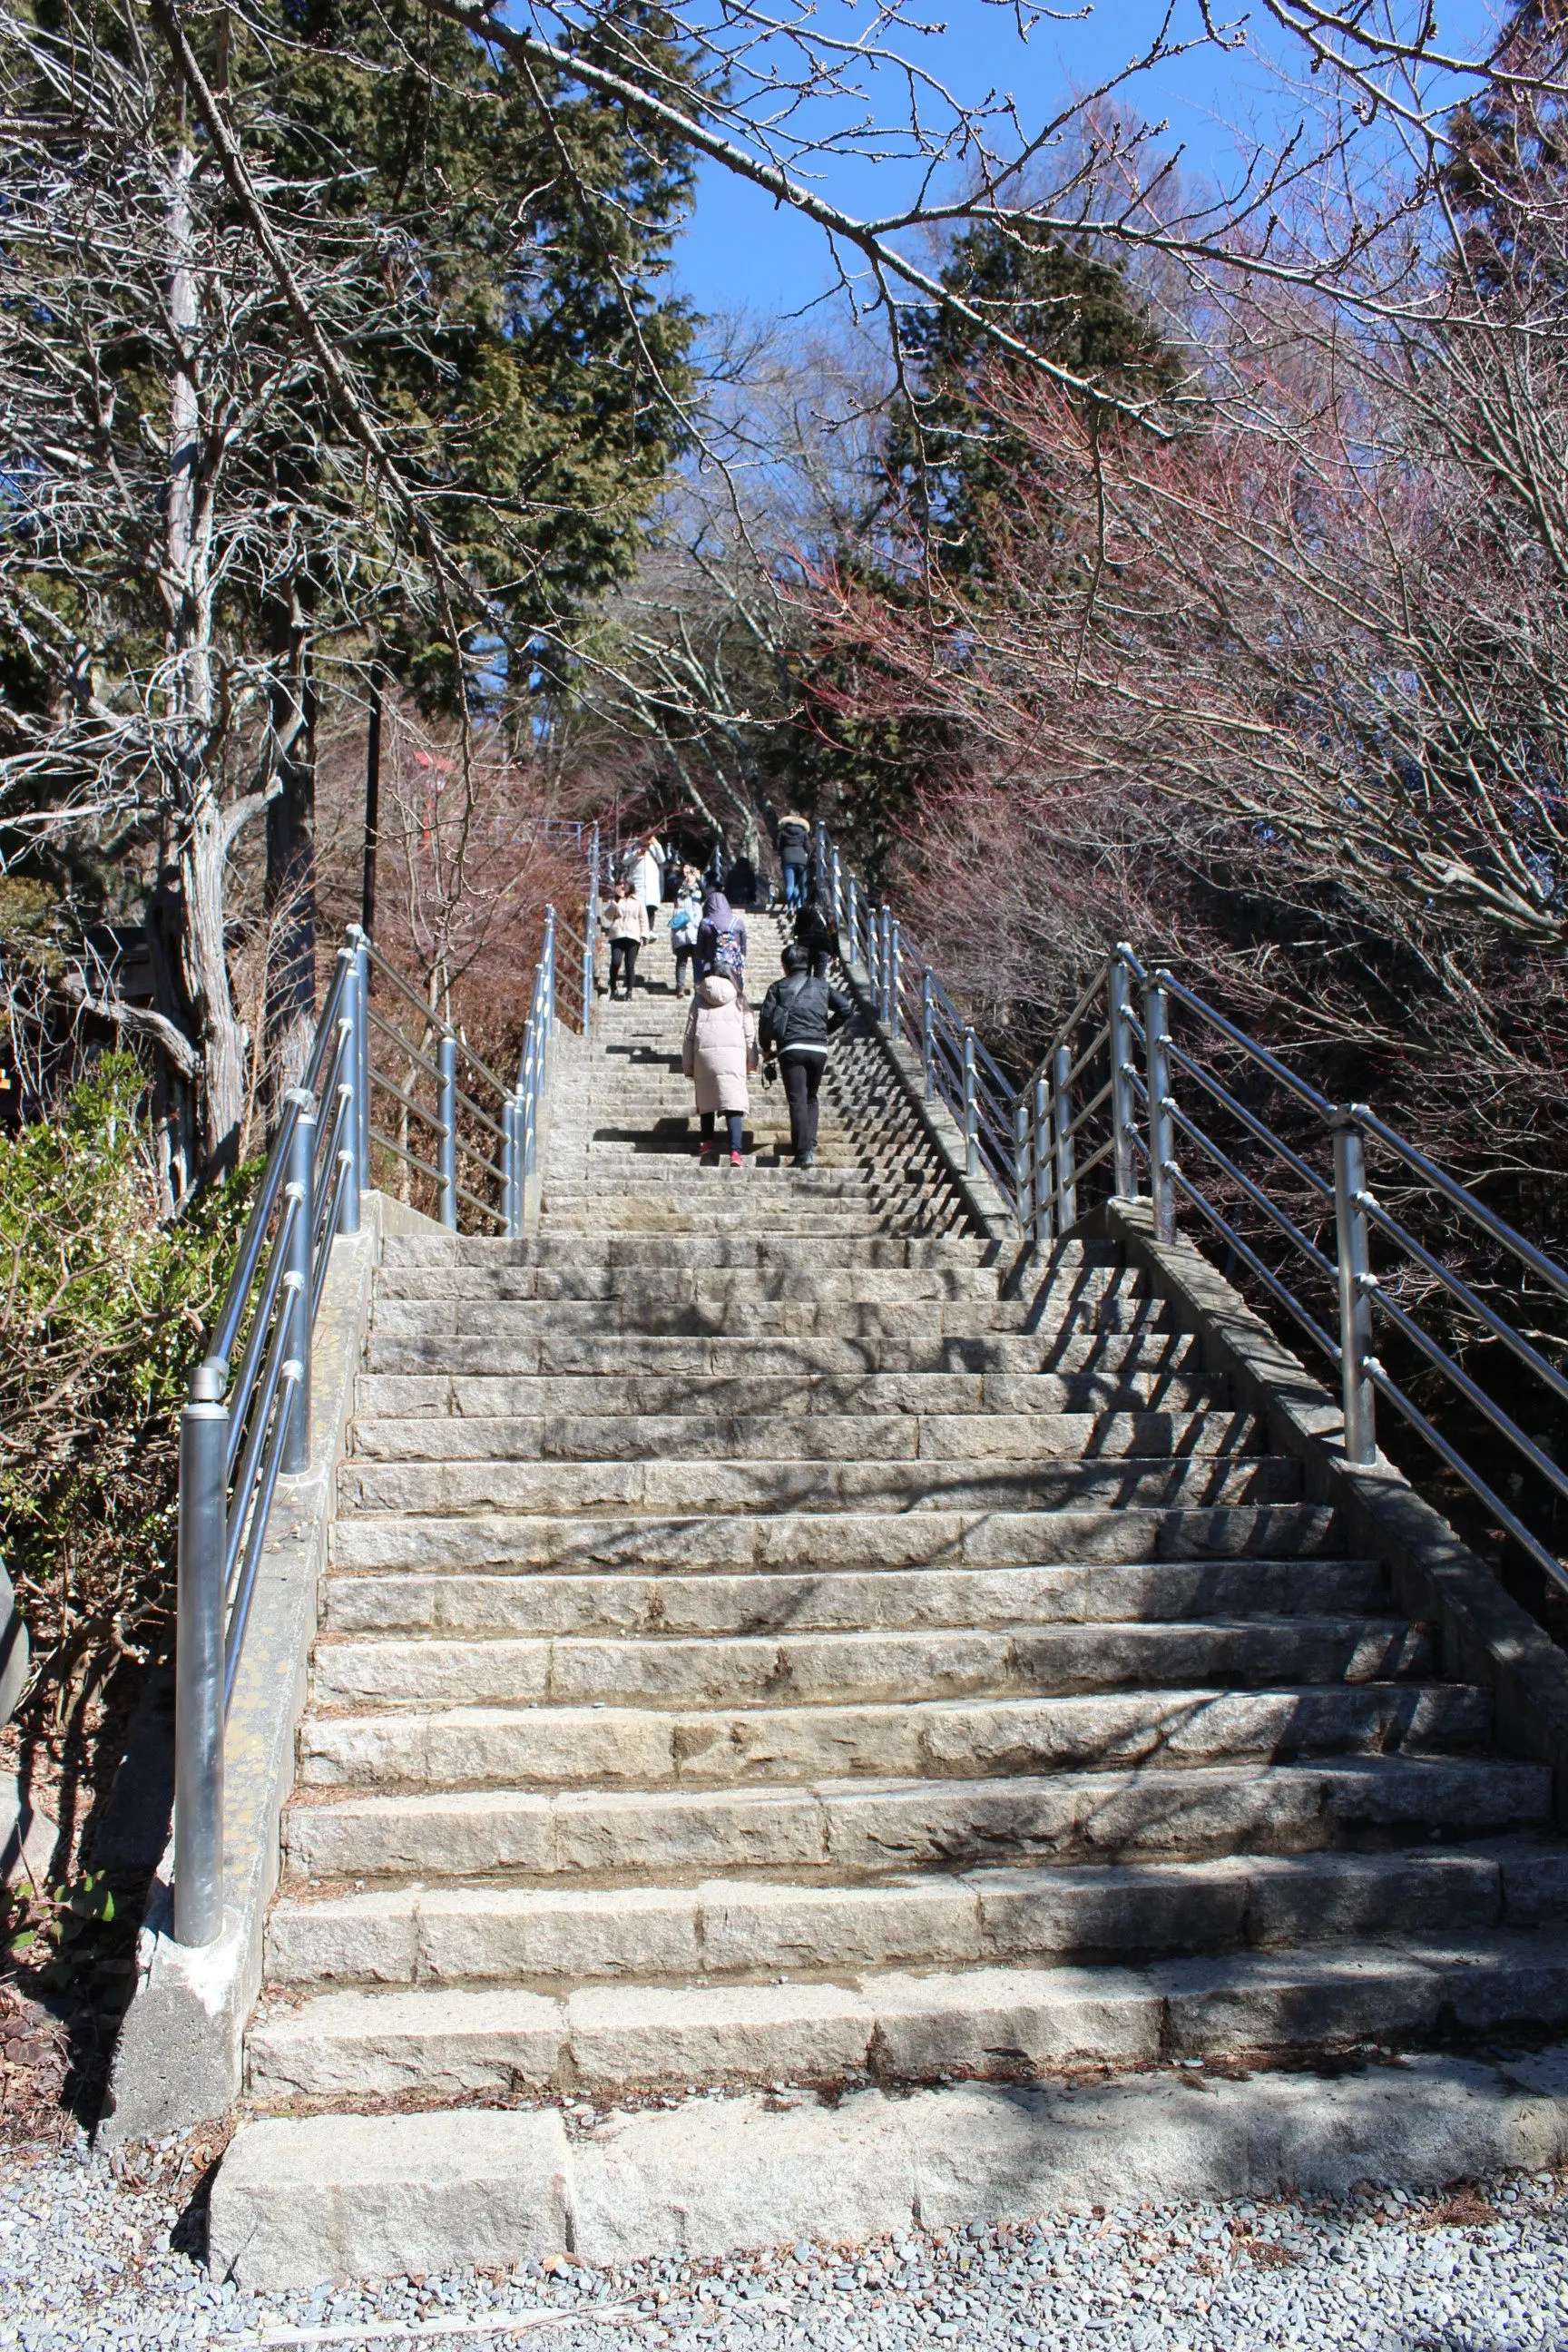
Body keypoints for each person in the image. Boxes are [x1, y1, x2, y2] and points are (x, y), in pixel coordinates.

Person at [760, 945, 853, 1168]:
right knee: (811, 1097)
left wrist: (766, 1048)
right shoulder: (822, 986)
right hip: (818, 1048)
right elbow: (846, 1009)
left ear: (785, 965)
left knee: (797, 1099)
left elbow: (765, 1022)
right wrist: (824, 1030)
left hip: (791, 1048)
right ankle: (808, 1144)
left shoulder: (778, 988)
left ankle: (803, 1153)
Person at [682, 972, 757, 1168]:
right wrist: (752, 1063)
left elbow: (689, 1034)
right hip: (733, 1058)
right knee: (733, 1103)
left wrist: (688, 1066)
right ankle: (735, 1152)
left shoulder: (699, 998)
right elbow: (750, 1035)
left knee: (707, 1099)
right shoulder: (740, 999)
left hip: (704, 1056)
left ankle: (707, 1142)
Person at [603, 877, 649, 998]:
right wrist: (616, 901)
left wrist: (644, 934)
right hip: (617, 934)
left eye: (625, 883)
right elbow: (607, 916)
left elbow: (643, 918)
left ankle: (629, 991)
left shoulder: (638, 900)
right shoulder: (615, 900)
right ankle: (613, 987)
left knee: (630, 964)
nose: (623, 886)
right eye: (620, 884)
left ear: (630, 885)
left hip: (633, 935)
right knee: (616, 961)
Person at [695, 887, 748, 990]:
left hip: (712, 968)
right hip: (734, 968)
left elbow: (698, 952)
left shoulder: (705, 923)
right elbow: (743, 950)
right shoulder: (738, 922)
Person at [669, 869, 703, 998]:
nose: (690, 877)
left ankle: (698, 986)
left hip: (694, 932)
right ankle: (680, 987)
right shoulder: (682, 890)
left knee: (697, 961)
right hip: (682, 932)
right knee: (682, 961)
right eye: (689, 875)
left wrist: (698, 880)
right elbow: (678, 895)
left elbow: (705, 894)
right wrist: (683, 876)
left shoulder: (698, 892)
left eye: (692, 875)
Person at [624, 833, 667, 930]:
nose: (646, 839)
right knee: (638, 906)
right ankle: (638, 930)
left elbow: (662, 859)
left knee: (650, 906)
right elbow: (625, 861)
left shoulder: (654, 847)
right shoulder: (633, 846)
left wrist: (656, 844)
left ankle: (650, 930)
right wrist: (636, 854)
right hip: (637, 882)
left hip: (651, 883)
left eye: (648, 837)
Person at [794, 893, 840, 981]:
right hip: (822, 947)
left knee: (804, 978)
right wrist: (836, 954)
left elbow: (796, 932)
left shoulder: (802, 911)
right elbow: (833, 934)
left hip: (804, 947)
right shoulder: (829, 912)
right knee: (819, 979)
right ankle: (817, 993)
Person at [776, 810, 811, 909]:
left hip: (787, 858)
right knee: (800, 885)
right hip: (801, 859)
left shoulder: (782, 832)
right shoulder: (804, 832)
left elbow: (778, 846)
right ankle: (800, 905)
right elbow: (808, 848)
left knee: (790, 885)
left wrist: (781, 853)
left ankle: (790, 906)